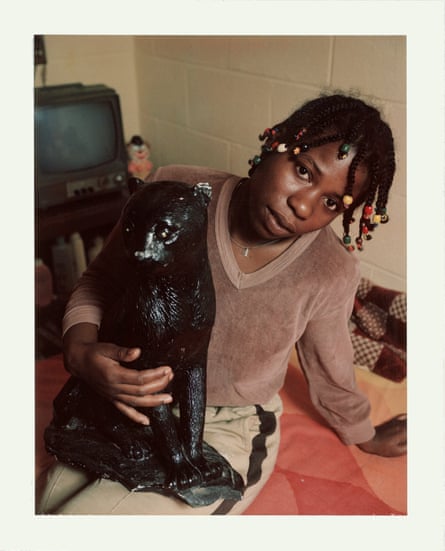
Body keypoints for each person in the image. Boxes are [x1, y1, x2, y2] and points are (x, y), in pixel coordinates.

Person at [36, 93, 407, 515]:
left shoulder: (329, 270)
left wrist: (363, 432)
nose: (302, 205)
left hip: (225, 424)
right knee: (45, 506)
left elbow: (331, 363)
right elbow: (100, 280)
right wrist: (81, 353)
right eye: (303, 171)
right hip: (130, 405)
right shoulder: (175, 190)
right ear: (275, 143)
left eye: (331, 203)